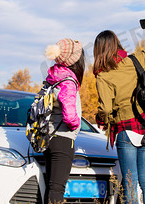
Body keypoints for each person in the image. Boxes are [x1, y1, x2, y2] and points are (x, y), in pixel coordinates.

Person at [93, 16, 145, 204]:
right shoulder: (133, 61)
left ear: (98, 51)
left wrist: (102, 119)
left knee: (130, 184)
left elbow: (106, 109)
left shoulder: (103, 76)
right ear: (117, 45)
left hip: (125, 129)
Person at [43, 38, 85, 204]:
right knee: (57, 189)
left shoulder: (52, 77)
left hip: (50, 136)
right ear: (74, 60)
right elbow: (69, 114)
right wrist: (76, 125)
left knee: (51, 186)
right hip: (63, 138)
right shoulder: (68, 81)